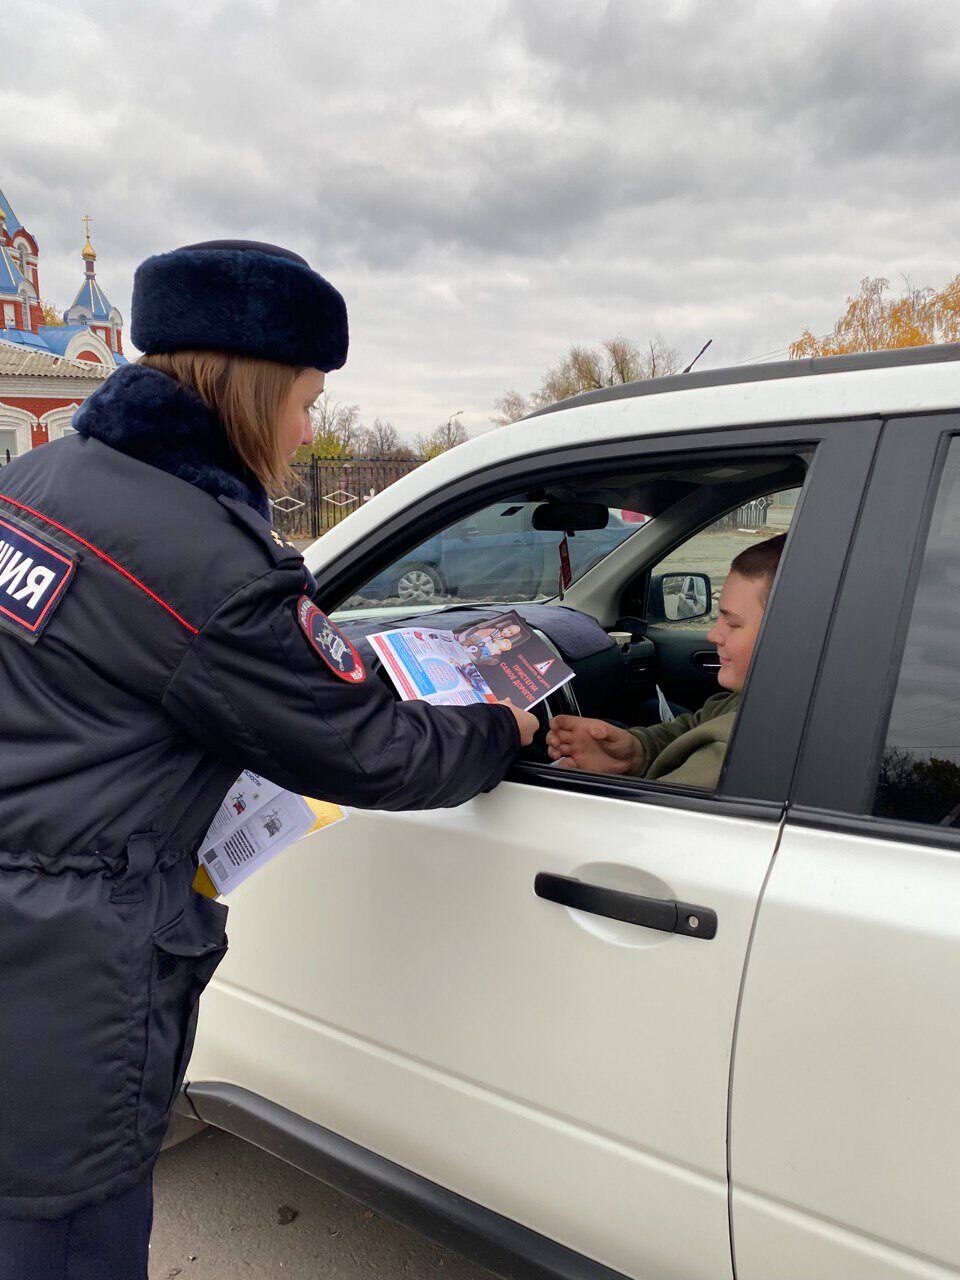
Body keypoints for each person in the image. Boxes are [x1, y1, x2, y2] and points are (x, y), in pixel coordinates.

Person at [0, 239, 538, 1280]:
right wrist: (502, 728)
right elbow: (373, 749)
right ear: (248, 391)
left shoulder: (40, 477)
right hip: (71, 982)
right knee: (66, 1244)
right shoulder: (212, 565)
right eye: (306, 399)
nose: (308, 428)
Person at [546, 535, 785, 788]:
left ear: (793, 636)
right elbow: (698, 726)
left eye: (733, 624)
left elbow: (639, 823)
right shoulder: (752, 699)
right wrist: (636, 751)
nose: (713, 635)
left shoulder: (736, 754)